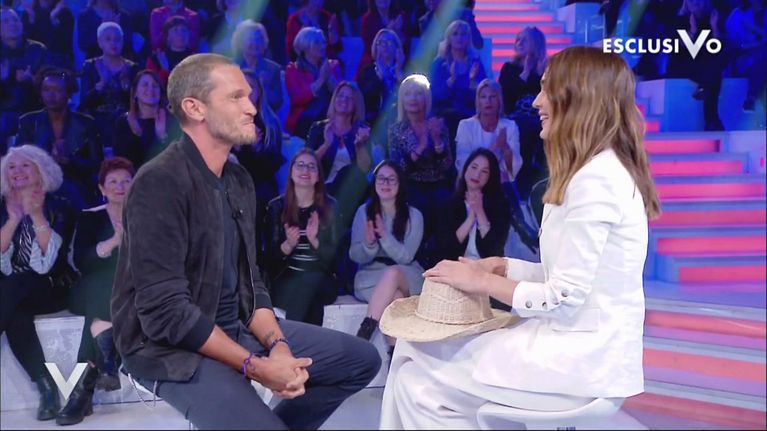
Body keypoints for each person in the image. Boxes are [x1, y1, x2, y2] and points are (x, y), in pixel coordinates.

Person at [379, 46, 662, 428]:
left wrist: (483, 281)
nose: (537, 102)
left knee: (416, 373)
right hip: (571, 345)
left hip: (582, 358)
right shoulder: (594, 172)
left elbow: (564, 297)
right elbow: (572, 276)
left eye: (547, 90)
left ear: (578, 98)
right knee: (412, 365)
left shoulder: (596, 180)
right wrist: (504, 266)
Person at [110, 53, 380, 430]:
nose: (252, 107)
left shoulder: (238, 181)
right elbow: (166, 313)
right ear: (195, 108)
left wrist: (279, 349)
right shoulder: (159, 181)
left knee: (360, 360)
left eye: (249, 96)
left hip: (233, 326)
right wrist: (255, 367)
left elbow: (251, 284)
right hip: (169, 346)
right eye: (236, 97)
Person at [0, 145, 77, 422]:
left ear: (40, 170)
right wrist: (12, 219)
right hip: (14, 294)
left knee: (15, 283)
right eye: (11, 167)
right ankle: (47, 390)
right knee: (16, 316)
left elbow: (47, 264)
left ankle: (48, 389)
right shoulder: (1, 206)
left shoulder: (62, 204)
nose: (17, 171)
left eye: (25, 165)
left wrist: (35, 215)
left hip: (51, 286)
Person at [56, 157, 135, 426]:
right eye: (113, 181)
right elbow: (81, 262)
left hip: (130, 291)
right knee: (102, 285)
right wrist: (113, 241)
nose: (120, 187)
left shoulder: (147, 216)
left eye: (126, 181)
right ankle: (108, 365)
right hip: (91, 289)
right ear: (102, 188)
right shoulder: (90, 217)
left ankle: (82, 394)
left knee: (104, 301)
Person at [455, 78, 538, 252]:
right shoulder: (466, 126)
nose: (488, 101)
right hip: (471, 181)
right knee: (498, 178)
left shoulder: (509, 126)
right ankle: (522, 227)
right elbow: (465, 165)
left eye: (493, 97)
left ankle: (518, 229)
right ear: (478, 101)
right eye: (483, 97)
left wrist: (505, 148)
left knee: (504, 178)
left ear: (499, 100)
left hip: (500, 183)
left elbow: (512, 170)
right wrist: (495, 147)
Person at [264, 149, 342, 326]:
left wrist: (315, 242)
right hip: (285, 277)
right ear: (291, 173)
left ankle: (296, 341)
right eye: (300, 165)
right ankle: (308, 341)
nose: (305, 170)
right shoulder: (276, 207)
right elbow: (267, 261)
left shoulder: (331, 207)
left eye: (311, 167)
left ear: (318, 176)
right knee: (298, 288)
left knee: (307, 285)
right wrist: (287, 245)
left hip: (321, 278)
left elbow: (338, 260)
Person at [351, 160, 424, 348]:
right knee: (395, 297)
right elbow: (355, 255)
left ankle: (362, 337)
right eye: (381, 179)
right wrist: (368, 245)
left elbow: (406, 257)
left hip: (406, 274)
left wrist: (384, 236)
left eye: (391, 179)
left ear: (400, 184)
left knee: (392, 274)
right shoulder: (363, 212)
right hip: (371, 276)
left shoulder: (414, 215)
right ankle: (394, 355)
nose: (385, 183)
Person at [16, 67, 102, 210]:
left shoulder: (86, 123)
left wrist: (70, 160)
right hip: (37, 184)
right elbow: (19, 161)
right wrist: (48, 160)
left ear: (68, 93)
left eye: (57, 90)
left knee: (69, 190)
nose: (51, 95)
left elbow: (96, 164)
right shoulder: (28, 122)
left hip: (76, 183)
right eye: (46, 89)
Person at [429, 148, 511, 277]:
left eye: (484, 171)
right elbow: (445, 249)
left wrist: (480, 212)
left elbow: (494, 249)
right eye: (474, 167)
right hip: (455, 269)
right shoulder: (448, 204)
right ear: (465, 169)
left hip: (486, 272)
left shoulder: (500, 207)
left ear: (490, 176)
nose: (477, 175)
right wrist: (470, 219)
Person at [113, 70, 180, 168]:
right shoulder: (124, 122)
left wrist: (162, 137)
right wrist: (136, 134)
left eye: (155, 86)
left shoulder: (172, 120)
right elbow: (122, 162)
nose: (150, 89)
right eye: (145, 85)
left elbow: (178, 159)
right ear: (135, 93)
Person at [285, 26, 342, 139]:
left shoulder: (333, 65)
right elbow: (297, 99)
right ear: (305, 46)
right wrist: (320, 80)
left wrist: (329, 76)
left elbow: (340, 94)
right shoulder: (293, 69)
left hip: (330, 112)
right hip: (305, 116)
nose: (322, 46)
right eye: (317, 43)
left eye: (323, 42)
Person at [231, 20, 284, 113]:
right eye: (250, 38)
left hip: (264, 116)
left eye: (259, 38)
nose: (255, 42)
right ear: (240, 42)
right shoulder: (230, 67)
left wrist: (264, 88)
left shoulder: (273, 69)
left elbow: (277, 101)